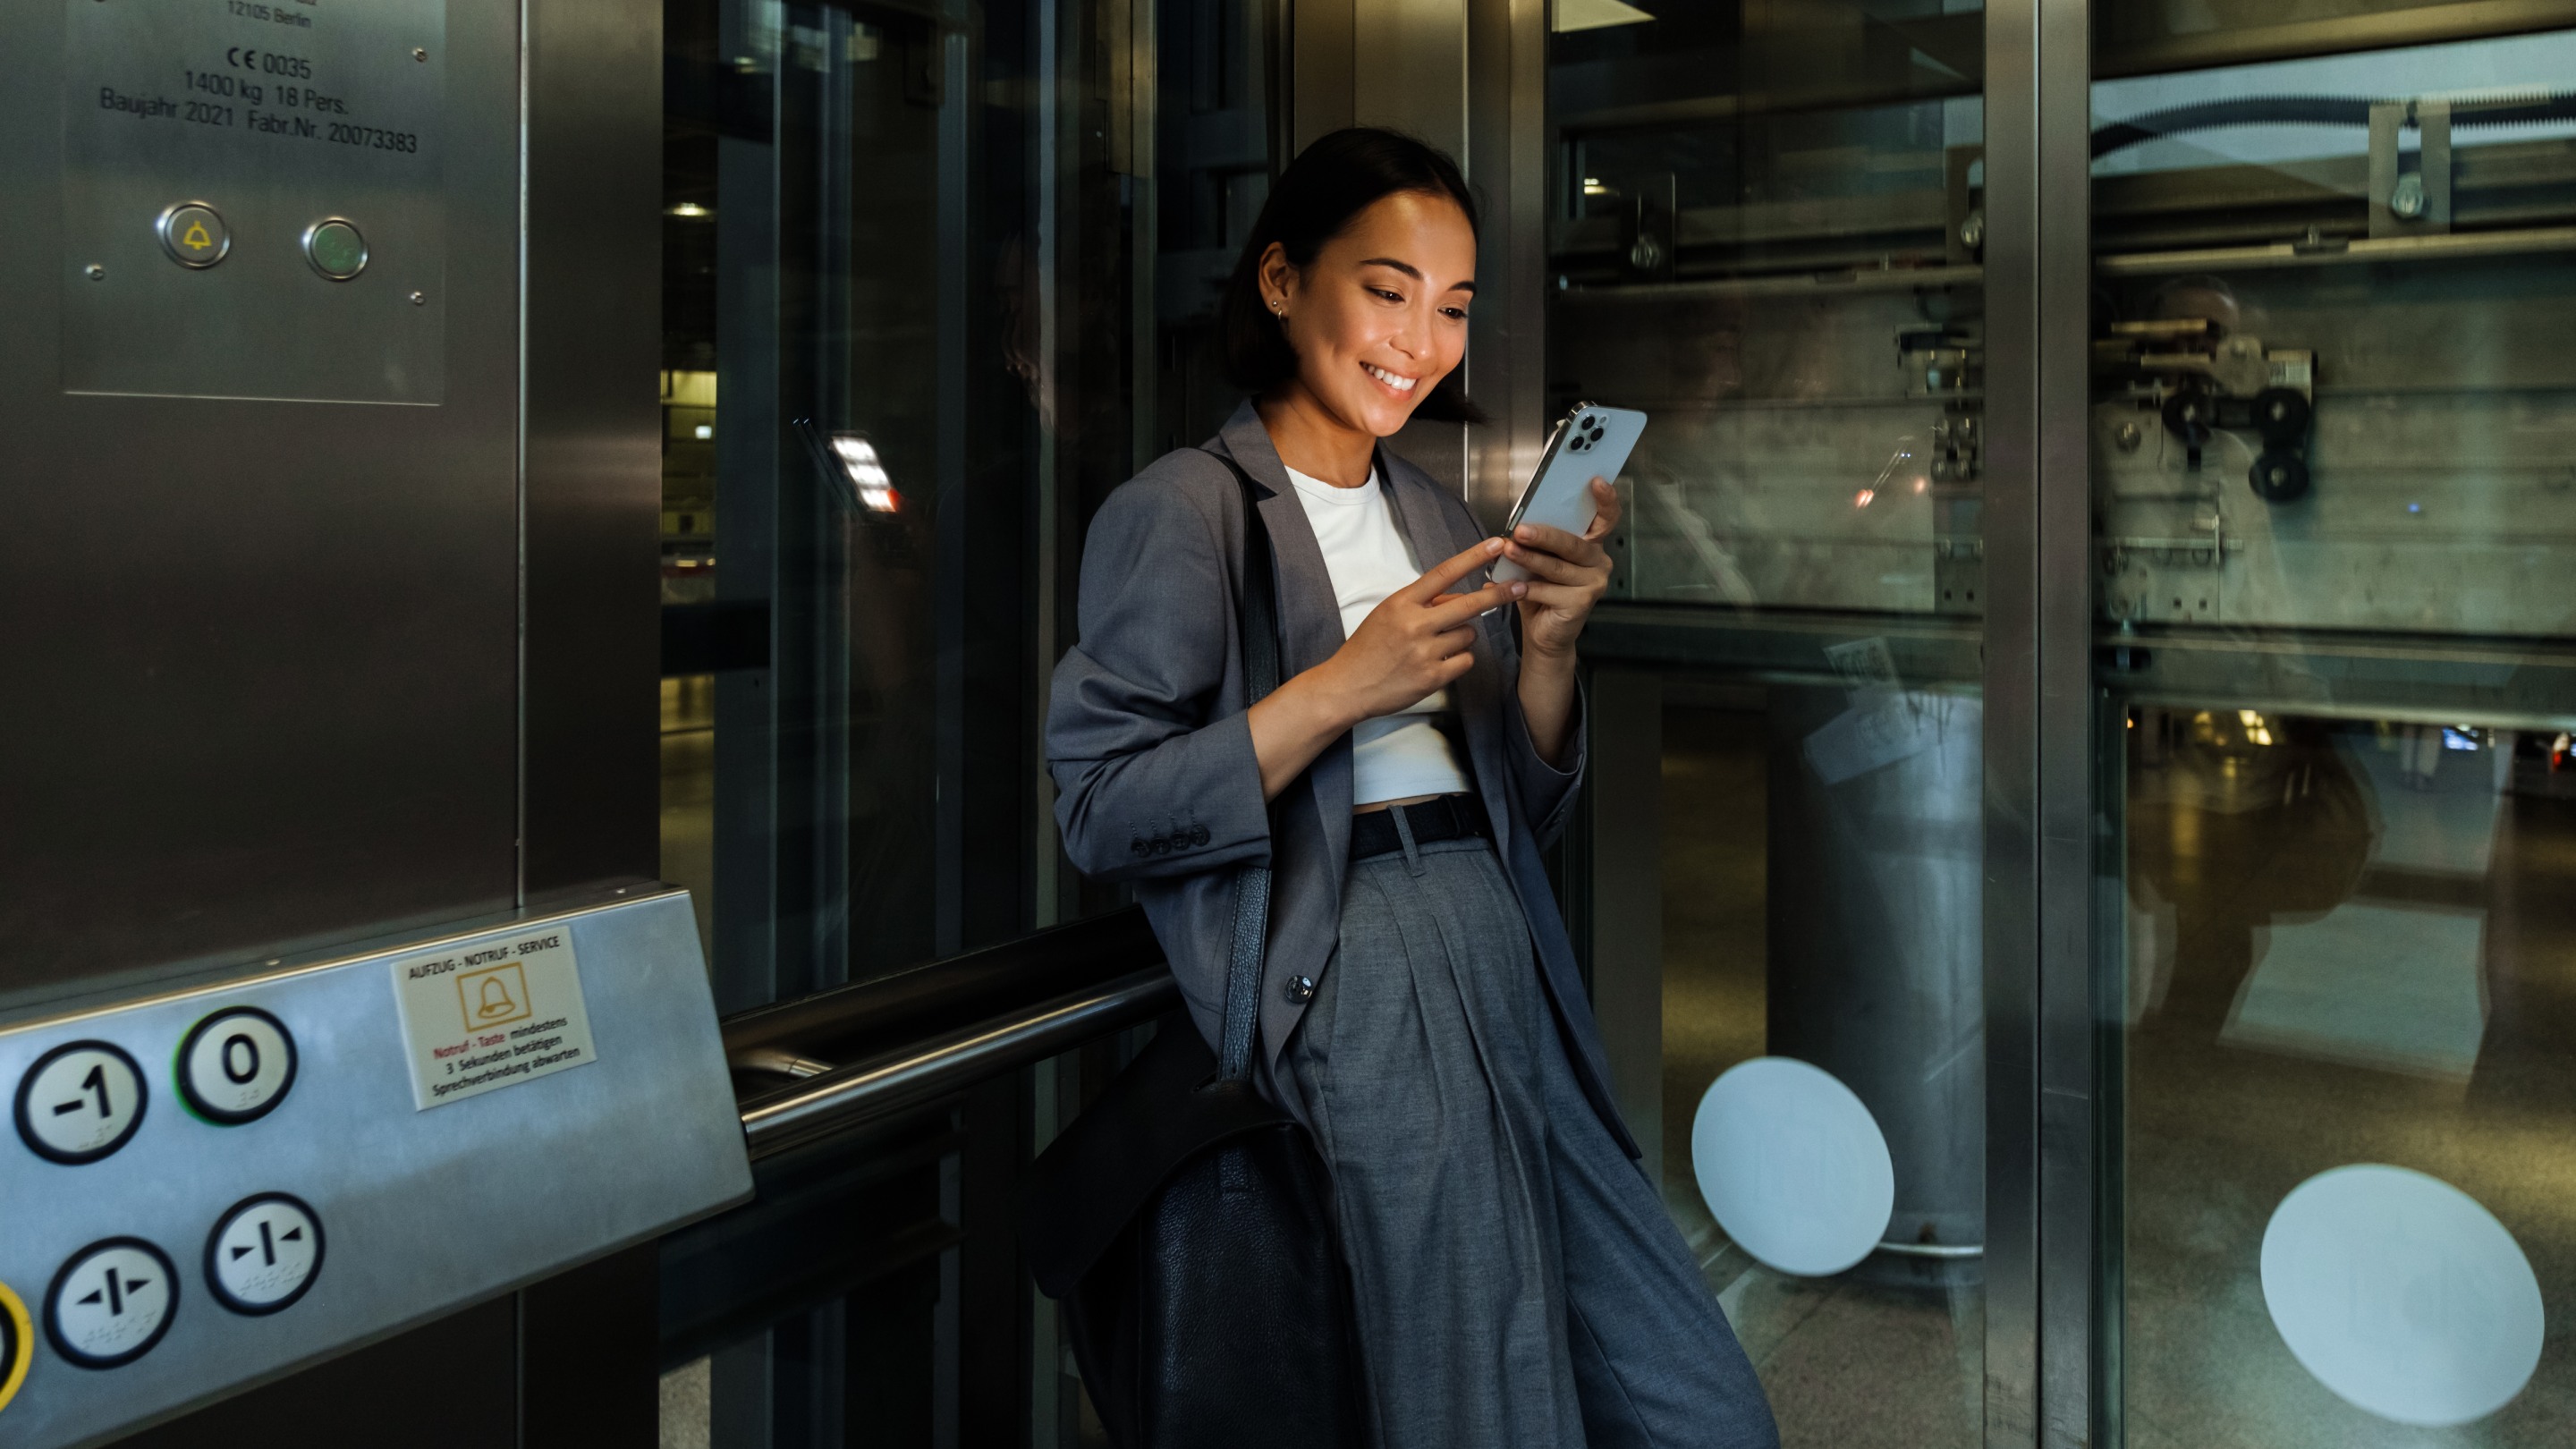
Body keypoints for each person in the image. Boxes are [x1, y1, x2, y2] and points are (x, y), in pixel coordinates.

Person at [1046, 128, 1779, 1449]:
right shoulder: (1187, 511)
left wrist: (1549, 648)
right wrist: (1344, 683)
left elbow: (1520, 799)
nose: (1420, 341)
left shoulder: (1436, 514)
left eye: (1451, 308)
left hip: (1500, 938)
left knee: (1692, 1395)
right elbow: (1100, 804)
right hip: (1356, 960)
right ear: (1283, 282)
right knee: (1474, 1391)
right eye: (1387, 291)